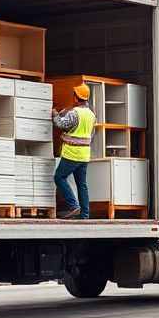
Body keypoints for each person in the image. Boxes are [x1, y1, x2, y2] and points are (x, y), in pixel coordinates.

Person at [52, 83, 96, 219]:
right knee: (82, 184)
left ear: (76, 98)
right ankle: (85, 214)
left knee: (59, 177)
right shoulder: (91, 115)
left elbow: (61, 124)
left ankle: (73, 205)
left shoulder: (75, 113)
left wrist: (55, 115)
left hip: (72, 154)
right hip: (84, 155)